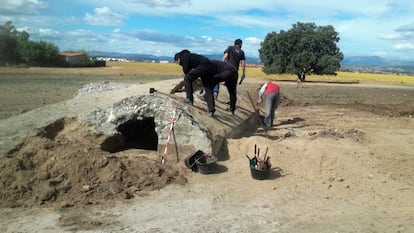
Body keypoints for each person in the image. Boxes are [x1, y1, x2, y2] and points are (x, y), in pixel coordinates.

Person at [174, 49, 217, 116]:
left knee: (187, 78)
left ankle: (189, 99)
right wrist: (195, 79)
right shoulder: (191, 56)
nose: (179, 64)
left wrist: (187, 85)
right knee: (207, 88)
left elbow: (186, 72)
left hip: (203, 66)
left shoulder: (184, 57)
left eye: (177, 62)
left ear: (178, 59)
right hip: (210, 67)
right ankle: (211, 110)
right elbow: (193, 72)